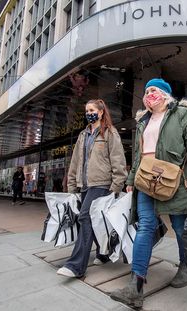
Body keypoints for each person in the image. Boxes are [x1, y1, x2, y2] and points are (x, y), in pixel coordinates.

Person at [110, 78, 187, 308]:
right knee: (145, 226)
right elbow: (138, 154)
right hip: (146, 180)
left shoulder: (181, 114)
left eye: (153, 90)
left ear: (165, 94)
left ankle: (185, 266)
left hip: (173, 180)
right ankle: (135, 286)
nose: (148, 94)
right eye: (146, 91)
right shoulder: (143, 121)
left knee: (179, 227)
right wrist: (131, 180)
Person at [56, 98, 127, 278]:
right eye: (87, 110)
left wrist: (116, 186)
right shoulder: (83, 135)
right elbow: (75, 162)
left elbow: (118, 161)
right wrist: (71, 186)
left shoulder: (110, 133)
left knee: (85, 217)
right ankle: (103, 254)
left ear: (101, 112)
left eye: (92, 110)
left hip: (102, 183)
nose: (89, 113)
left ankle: (76, 266)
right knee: (96, 220)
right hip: (85, 185)